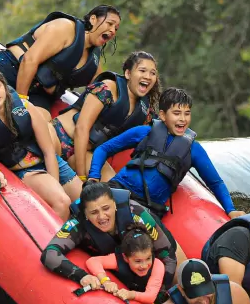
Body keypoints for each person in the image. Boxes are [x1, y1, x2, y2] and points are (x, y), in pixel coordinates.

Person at [86, 87, 237, 216]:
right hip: (116, 191)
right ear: (163, 115)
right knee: (82, 206)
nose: (183, 119)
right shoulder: (144, 132)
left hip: (148, 209)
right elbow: (104, 148)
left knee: (166, 246)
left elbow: (215, 183)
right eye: (177, 113)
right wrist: (94, 177)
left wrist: (231, 210)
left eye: (187, 113)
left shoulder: (194, 149)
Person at [0, 69, 81, 214]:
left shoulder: (26, 107)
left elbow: (49, 152)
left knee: (85, 202)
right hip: (26, 171)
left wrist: (54, 183)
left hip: (49, 160)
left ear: (6, 89)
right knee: (62, 201)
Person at [0, 6, 121, 111]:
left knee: (42, 124)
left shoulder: (94, 64)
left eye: (116, 28)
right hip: (11, 69)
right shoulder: (65, 27)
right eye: (110, 24)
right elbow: (29, 60)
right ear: (93, 19)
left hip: (39, 95)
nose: (113, 30)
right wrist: (21, 102)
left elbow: (102, 91)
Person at [42, 181, 178, 288]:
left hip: (148, 258)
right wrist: (82, 276)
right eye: (94, 212)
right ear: (85, 214)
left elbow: (168, 255)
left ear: (114, 204)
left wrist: (160, 293)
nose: (102, 217)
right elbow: (50, 253)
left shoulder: (135, 213)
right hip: (116, 264)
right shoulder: (78, 224)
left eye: (106, 208)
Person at [54, 51, 159, 178]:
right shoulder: (107, 88)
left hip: (85, 154)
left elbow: (160, 128)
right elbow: (81, 129)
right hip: (60, 136)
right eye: (142, 71)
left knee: (109, 193)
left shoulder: (144, 111)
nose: (148, 76)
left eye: (152, 73)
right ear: (128, 73)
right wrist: (81, 175)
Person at [84, 229, 166, 304]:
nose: (144, 266)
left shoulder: (157, 265)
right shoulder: (119, 260)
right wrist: (106, 281)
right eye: (138, 261)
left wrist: (129, 294)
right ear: (126, 258)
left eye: (148, 258)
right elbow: (93, 261)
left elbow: (150, 297)